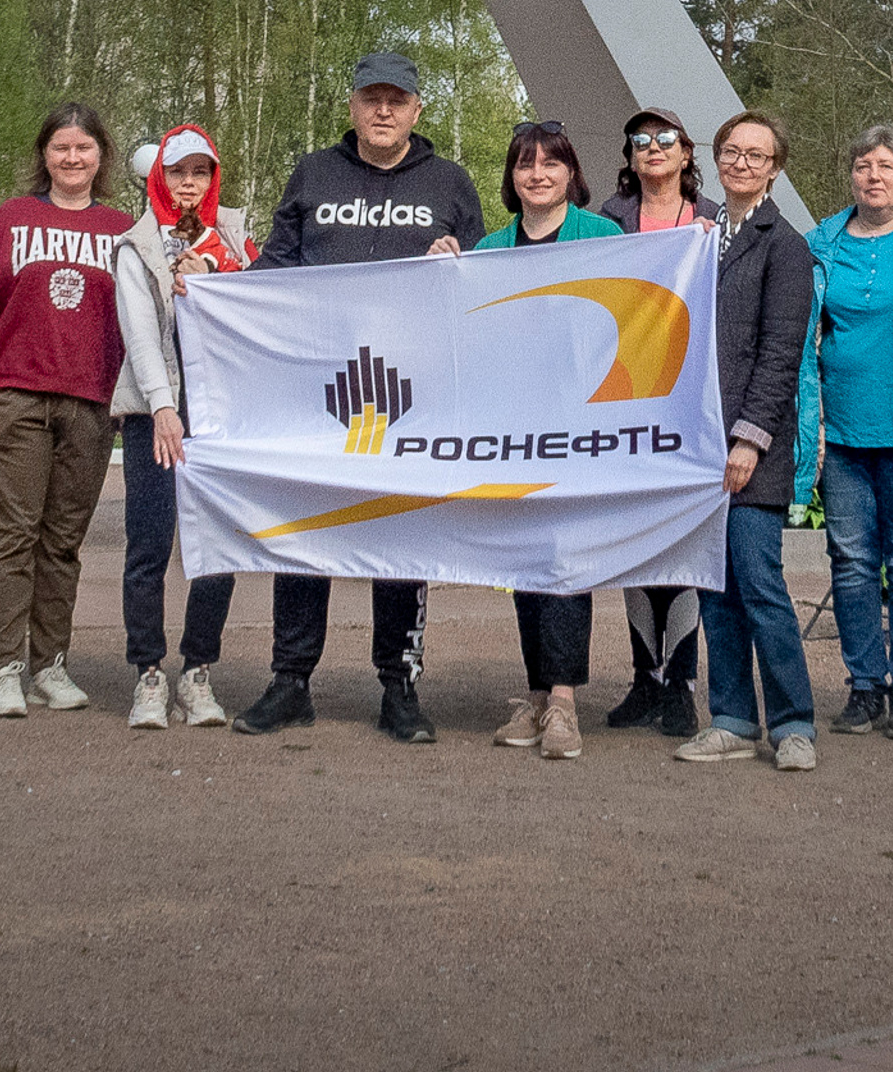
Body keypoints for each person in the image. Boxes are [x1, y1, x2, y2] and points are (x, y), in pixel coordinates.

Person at [234, 51, 485, 742]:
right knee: (307, 531)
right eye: (372, 97)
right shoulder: (314, 173)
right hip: (315, 390)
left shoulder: (450, 182)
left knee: (399, 536)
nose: (383, 110)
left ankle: (399, 688)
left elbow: (486, 286)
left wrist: (459, 267)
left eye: (396, 99)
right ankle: (290, 682)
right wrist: (214, 292)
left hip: (411, 394)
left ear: (416, 109)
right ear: (351, 104)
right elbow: (274, 270)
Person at [0, 103, 134, 720]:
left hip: (89, 404)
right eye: (61, 148)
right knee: (13, 537)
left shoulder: (123, 231)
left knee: (62, 542)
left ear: (100, 156)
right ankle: (6, 668)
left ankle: (50, 663)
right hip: (18, 396)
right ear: (44, 155)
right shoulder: (13, 220)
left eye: (83, 148)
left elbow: (138, 324)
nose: (72, 158)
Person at [792, 122, 893, 741]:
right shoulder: (822, 244)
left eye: (886, 166)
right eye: (863, 165)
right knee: (852, 563)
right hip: (843, 439)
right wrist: (815, 425)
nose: (874, 176)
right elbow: (808, 342)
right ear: (851, 176)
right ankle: (864, 687)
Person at [677, 109, 818, 773]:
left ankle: (794, 723)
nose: (740, 163)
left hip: (748, 451)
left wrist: (750, 440)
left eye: (755, 155)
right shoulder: (702, 237)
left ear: (775, 168)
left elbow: (781, 351)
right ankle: (732, 716)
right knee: (714, 588)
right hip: (696, 445)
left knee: (759, 581)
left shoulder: (784, 244)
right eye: (731, 151)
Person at [475, 121, 622, 758]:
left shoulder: (604, 236)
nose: (537, 174)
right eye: (525, 165)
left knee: (565, 557)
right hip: (512, 429)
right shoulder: (488, 247)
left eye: (550, 164)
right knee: (527, 561)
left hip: (581, 428)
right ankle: (536, 696)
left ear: (571, 174)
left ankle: (564, 703)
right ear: (511, 178)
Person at [111, 122, 244, 729]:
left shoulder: (235, 238)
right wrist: (163, 406)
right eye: (177, 172)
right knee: (150, 541)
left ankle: (197, 672)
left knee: (216, 545)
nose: (188, 184)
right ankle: (148, 673)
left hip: (222, 413)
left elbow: (262, 308)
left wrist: (217, 280)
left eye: (199, 173)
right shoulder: (136, 244)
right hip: (155, 413)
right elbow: (139, 335)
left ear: (212, 179)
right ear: (157, 178)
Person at [596, 107, 724, 736]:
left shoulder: (711, 222)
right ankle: (644, 680)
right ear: (629, 154)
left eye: (664, 139)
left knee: (679, 543)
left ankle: (683, 684)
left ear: (685, 152)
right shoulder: (607, 222)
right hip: (622, 398)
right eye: (640, 140)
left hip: (687, 399)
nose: (651, 148)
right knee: (635, 544)